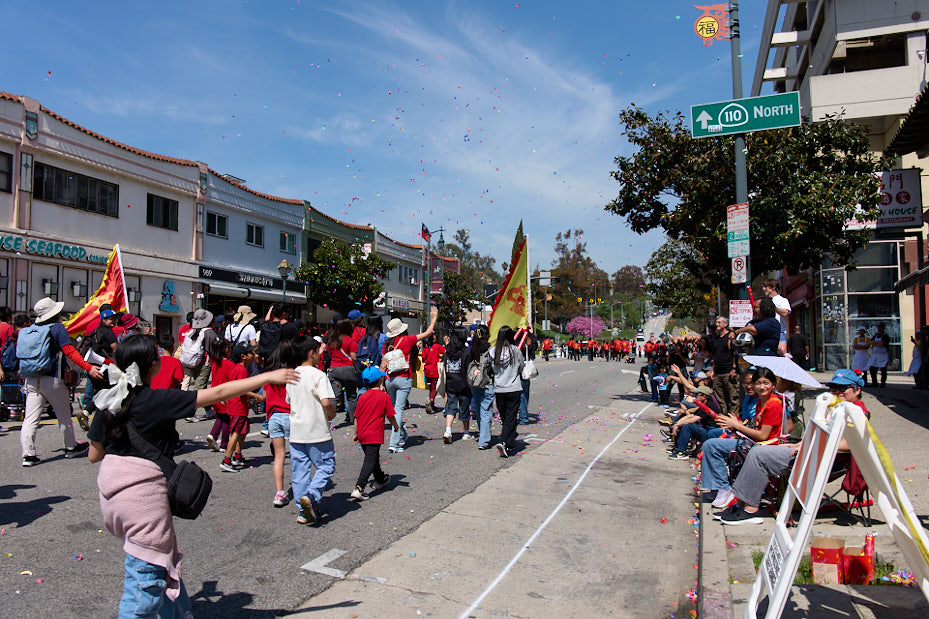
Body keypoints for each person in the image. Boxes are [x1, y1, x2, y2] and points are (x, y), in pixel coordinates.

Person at [86, 333, 297, 617]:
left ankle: (180, 612)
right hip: (142, 499)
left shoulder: (109, 401)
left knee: (158, 560)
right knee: (144, 581)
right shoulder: (156, 400)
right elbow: (218, 393)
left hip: (112, 497)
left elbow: (94, 454)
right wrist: (268, 377)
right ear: (152, 366)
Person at [717, 368, 869, 525]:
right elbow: (822, 436)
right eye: (834, 388)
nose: (838, 392)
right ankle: (741, 504)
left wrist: (807, 446)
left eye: (843, 388)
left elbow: (849, 444)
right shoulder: (839, 408)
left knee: (758, 455)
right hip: (813, 454)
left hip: (824, 461)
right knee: (757, 451)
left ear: (857, 390)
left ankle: (750, 509)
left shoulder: (859, 413)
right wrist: (800, 443)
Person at [18, 298, 103, 467]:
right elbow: (70, 351)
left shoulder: (29, 330)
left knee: (30, 418)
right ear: (55, 314)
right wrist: (88, 368)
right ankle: (70, 447)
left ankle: (28, 454)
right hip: (53, 379)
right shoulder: (57, 329)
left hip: (32, 378)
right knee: (64, 416)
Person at [702, 367, 784, 510]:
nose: (761, 387)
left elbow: (763, 436)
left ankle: (725, 489)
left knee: (713, 445)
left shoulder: (774, 404)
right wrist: (736, 424)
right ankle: (719, 487)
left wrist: (737, 426)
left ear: (773, 385)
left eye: (766, 383)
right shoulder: (761, 402)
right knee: (710, 444)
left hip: (764, 448)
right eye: (758, 383)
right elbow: (754, 428)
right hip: (752, 442)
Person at [284, 334, 337, 525]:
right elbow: (325, 401)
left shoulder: (292, 376)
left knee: (300, 471)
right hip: (317, 430)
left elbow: (289, 401)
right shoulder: (318, 375)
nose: (320, 355)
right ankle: (312, 496)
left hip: (297, 432)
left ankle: (303, 510)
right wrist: (331, 414)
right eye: (317, 351)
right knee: (326, 465)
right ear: (311, 353)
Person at [381, 306, 438, 453]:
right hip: (404, 378)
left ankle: (400, 434)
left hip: (389, 379)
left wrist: (381, 383)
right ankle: (394, 443)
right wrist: (433, 318)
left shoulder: (387, 344)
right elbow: (426, 333)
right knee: (398, 410)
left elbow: (383, 364)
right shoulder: (406, 340)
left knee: (394, 409)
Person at [350, 366, 399, 501]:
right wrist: (396, 426)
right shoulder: (384, 397)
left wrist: (356, 433)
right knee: (370, 459)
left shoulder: (362, 397)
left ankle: (380, 478)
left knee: (372, 457)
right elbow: (390, 415)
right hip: (374, 433)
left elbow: (356, 417)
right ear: (379, 380)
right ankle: (359, 487)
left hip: (363, 433)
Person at [218, 343, 262, 472]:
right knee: (236, 433)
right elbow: (242, 389)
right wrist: (256, 395)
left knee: (243, 431)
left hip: (239, 406)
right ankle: (226, 459)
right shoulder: (241, 370)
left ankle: (237, 455)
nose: (253, 356)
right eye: (251, 353)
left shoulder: (238, 368)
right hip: (238, 406)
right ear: (243, 356)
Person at [263, 347, 292, 508]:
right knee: (298, 454)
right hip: (289, 414)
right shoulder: (289, 375)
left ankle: (279, 492)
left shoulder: (270, 376)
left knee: (279, 456)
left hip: (273, 417)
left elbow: (264, 396)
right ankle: (301, 487)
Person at [491, 325, 525, 458]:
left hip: (499, 388)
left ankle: (509, 443)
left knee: (505, 417)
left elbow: (491, 368)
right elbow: (521, 365)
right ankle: (504, 440)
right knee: (511, 417)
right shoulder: (515, 350)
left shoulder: (493, 351)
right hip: (513, 387)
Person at [441, 327, 472, 443]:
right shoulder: (466, 352)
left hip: (450, 383)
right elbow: (469, 368)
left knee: (450, 407)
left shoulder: (447, 351)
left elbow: (444, 365)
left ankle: (448, 430)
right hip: (464, 384)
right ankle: (466, 432)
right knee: (464, 407)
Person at [326, 318, 359, 425]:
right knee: (351, 396)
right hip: (348, 370)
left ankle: (328, 420)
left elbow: (329, 354)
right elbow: (353, 357)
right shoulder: (351, 341)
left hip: (334, 369)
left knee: (334, 395)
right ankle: (354, 420)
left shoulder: (331, 340)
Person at [468, 324, 495, 450]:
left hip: (474, 382)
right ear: (487, 336)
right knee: (486, 411)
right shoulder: (490, 350)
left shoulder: (472, 349)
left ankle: (482, 435)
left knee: (479, 411)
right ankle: (483, 440)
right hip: (487, 383)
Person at [205, 339, 233, 453]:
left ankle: (213, 435)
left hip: (215, 394)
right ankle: (224, 444)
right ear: (226, 350)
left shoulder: (215, 363)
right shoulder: (230, 364)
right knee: (226, 420)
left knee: (220, 417)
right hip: (224, 395)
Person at [707, 316, 738, 416]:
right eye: (716, 322)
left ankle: (734, 417)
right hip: (718, 372)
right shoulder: (716, 339)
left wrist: (734, 368)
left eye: (719, 322)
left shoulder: (730, 337)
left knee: (733, 397)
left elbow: (734, 354)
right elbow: (715, 356)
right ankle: (724, 416)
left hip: (728, 371)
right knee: (720, 398)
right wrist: (713, 370)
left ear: (725, 324)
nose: (717, 324)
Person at [762, 279, 791, 356]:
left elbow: (784, 313)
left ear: (773, 288)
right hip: (766, 332)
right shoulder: (763, 301)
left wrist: (773, 307)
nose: (763, 289)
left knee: (782, 352)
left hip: (779, 332)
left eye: (766, 287)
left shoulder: (782, 300)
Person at [422, 334, 444, 414]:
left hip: (427, 370)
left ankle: (432, 403)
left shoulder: (425, 348)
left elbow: (423, 359)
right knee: (434, 388)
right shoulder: (437, 346)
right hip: (434, 370)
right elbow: (445, 351)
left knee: (431, 388)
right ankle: (430, 401)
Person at [867, 323, 891, 388]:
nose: (879, 329)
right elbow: (871, 342)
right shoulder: (876, 335)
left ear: (883, 328)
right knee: (872, 368)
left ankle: (883, 383)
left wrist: (876, 343)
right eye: (878, 328)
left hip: (883, 355)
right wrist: (876, 343)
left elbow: (881, 344)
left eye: (880, 328)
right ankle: (874, 382)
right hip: (875, 355)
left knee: (883, 370)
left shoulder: (886, 336)